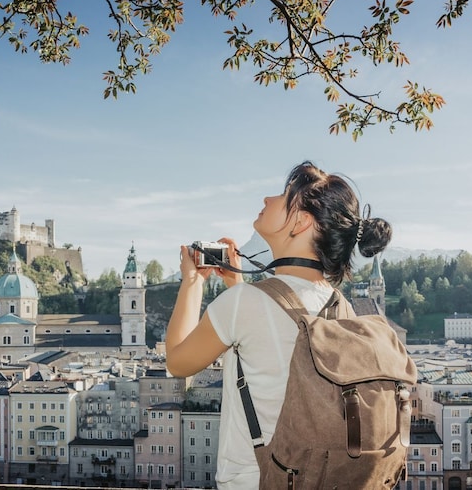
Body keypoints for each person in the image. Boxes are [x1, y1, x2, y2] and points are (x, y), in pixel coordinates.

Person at [165, 160, 392, 489]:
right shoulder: (342, 308)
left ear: (300, 221)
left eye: (284, 195)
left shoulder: (244, 304)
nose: (266, 199)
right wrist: (236, 286)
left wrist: (192, 283)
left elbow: (177, 362)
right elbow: (271, 346)